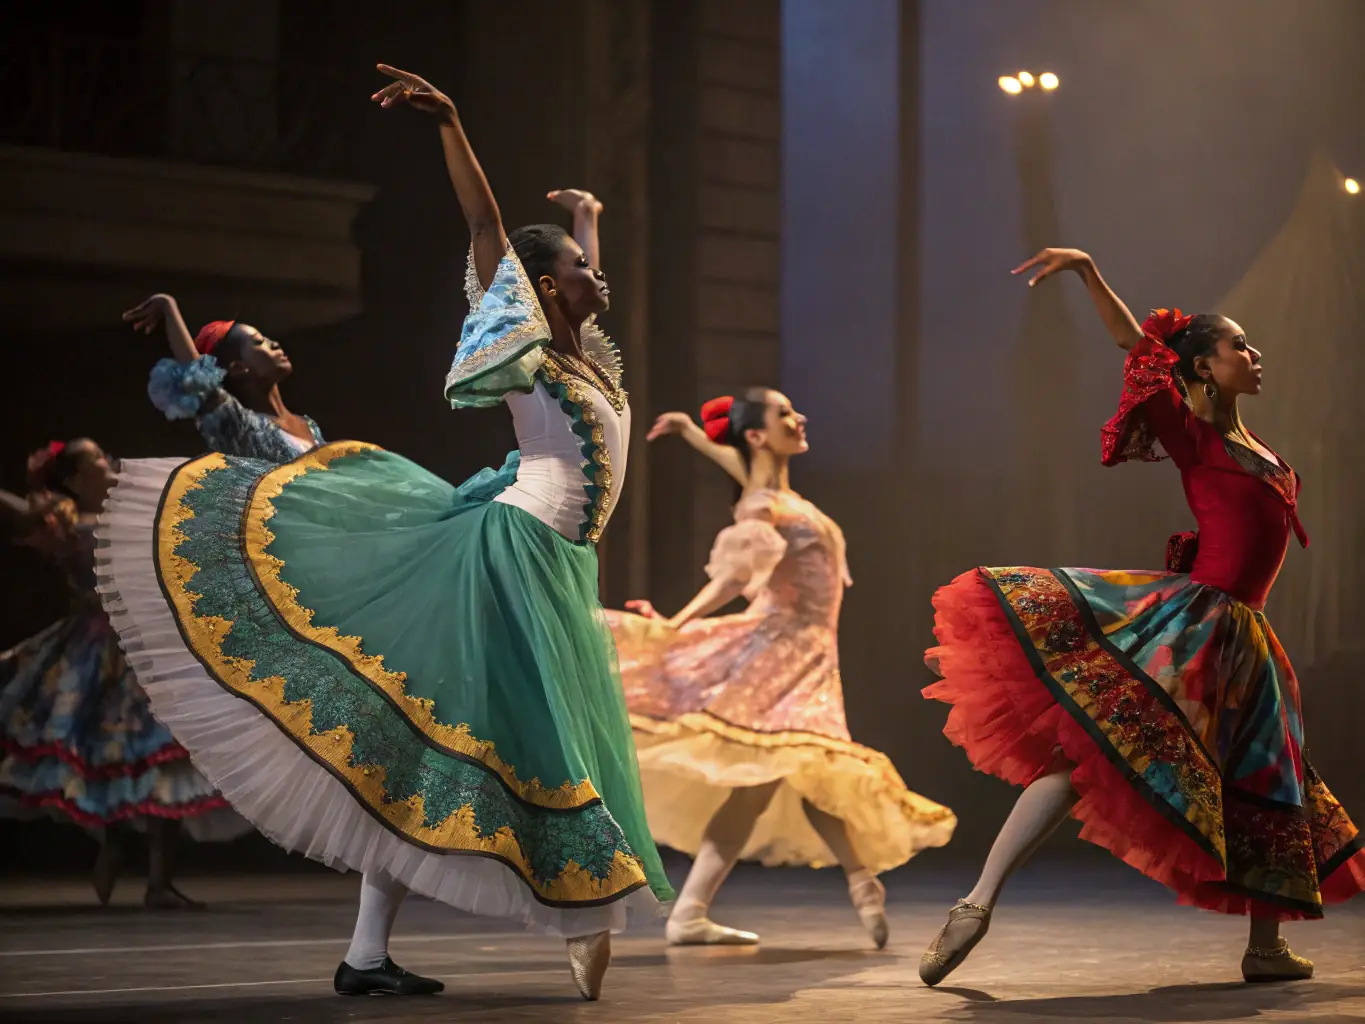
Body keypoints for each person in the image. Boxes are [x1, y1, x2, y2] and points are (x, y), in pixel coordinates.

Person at [92, 64, 673, 1002]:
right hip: (514, 552)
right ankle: (583, 911)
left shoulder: (587, 355)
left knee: (423, 744)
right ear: (538, 283)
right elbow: (490, 233)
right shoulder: (523, 349)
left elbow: (575, 278)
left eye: (588, 260)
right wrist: (452, 123)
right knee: (521, 737)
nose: (593, 273)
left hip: (563, 559)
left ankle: (369, 953)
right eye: (576, 264)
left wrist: (591, 219)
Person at [917, 247, 1365, 987]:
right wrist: (1091, 272)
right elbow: (1137, 344)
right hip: (1195, 628)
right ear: (1200, 367)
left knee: (1270, 778)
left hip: (1246, 639)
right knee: (1090, 751)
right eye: (1236, 345)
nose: (1252, 354)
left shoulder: (1263, 451)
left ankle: (1264, 946)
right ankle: (975, 902)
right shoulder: (1195, 439)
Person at [608, 391, 956, 947]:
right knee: (789, 768)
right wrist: (678, 622)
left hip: (813, 654)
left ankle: (711, 907)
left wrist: (693, 436)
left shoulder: (780, 495)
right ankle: (840, 885)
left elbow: (744, 467)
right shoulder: (761, 505)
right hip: (776, 652)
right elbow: (731, 577)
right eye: (785, 415)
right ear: (757, 434)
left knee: (802, 770)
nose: (800, 418)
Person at [0, 440, 246, 908]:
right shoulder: (66, 518)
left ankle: (159, 880)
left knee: (166, 754)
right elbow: (22, 516)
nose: (108, 460)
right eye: (94, 458)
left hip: (150, 646)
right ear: (73, 479)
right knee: (102, 751)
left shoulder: (140, 508)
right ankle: (112, 844)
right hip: (94, 651)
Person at [123, 294, 322, 461]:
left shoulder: (309, 425)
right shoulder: (240, 426)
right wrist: (168, 307)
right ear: (239, 367)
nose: (276, 344)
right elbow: (199, 378)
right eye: (259, 342)